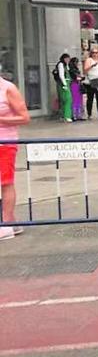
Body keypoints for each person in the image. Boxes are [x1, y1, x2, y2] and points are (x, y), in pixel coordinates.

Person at [0, 72, 29, 240]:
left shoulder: (8, 89)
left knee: (5, 182)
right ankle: (11, 221)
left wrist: (2, 120)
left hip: (5, 142)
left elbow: (24, 117)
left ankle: (7, 224)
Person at [54, 53, 72, 123]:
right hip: (63, 83)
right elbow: (61, 75)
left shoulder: (65, 65)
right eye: (66, 59)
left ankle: (62, 115)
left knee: (63, 100)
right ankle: (67, 116)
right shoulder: (61, 64)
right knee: (68, 99)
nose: (68, 60)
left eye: (68, 59)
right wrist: (65, 84)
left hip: (65, 83)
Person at [69, 57, 85, 121]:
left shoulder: (75, 69)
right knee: (75, 101)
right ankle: (75, 115)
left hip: (78, 84)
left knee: (79, 100)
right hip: (74, 85)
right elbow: (75, 77)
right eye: (75, 62)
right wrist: (81, 78)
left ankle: (79, 115)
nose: (77, 63)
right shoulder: (71, 70)